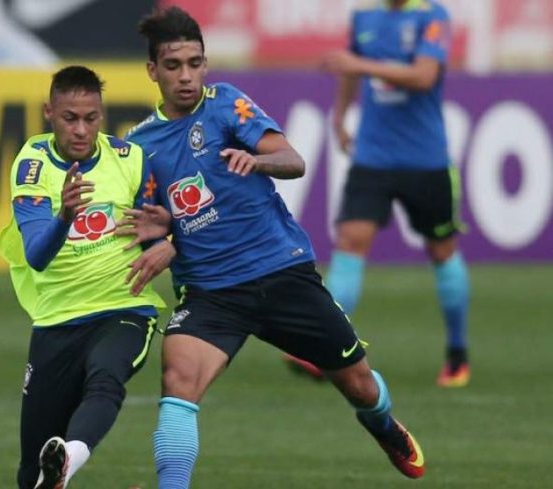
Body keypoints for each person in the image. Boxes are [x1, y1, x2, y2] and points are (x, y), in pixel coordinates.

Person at [119, 7, 425, 488]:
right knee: (178, 381)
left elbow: (293, 160)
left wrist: (257, 162)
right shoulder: (139, 147)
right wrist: (164, 240)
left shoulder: (227, 104)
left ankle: (383, 426)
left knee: (360, 386)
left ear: (205, 63)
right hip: (211, 293)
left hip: (282, 272)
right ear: (152, 71)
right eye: (173, 66)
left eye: (195, 63)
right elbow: (153, 226)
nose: (186, 76)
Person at [0, 65, 174, 489]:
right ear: (49, 113)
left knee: (106, 378)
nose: (81, 130)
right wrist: (64, 216)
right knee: (29, 474)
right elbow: (37, 256)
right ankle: (55, 472)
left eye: (91, 118)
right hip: (56, 319)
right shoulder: (33, 165)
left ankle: (69, 460)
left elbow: (158, 230)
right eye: (70, 118)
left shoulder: (130, 159)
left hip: (124, 307)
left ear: (102, 114)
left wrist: (171, 241)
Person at [290, 0, 469, 388]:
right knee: (350, 242)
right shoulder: (364, 16)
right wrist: (340, 116)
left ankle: (457, 353)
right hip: (372, 157)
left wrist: (361, 65)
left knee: (442, 250)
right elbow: (350, 72)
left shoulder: (432, 16)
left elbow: (424, 76)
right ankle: (327, 351)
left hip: (426, 160)